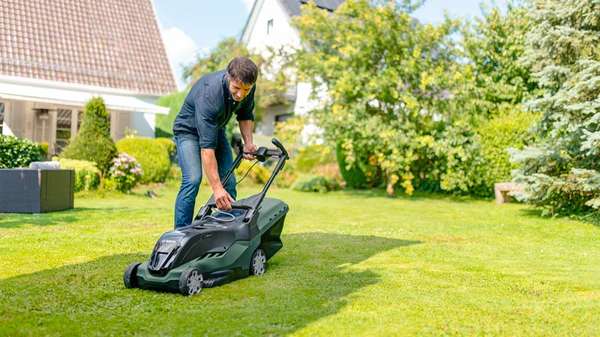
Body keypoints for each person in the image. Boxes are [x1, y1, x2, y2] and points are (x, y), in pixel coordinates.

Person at [172, 57, 258, 228]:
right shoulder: (210, 94)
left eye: (246, 90)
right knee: (192, 180)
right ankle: (180, 235)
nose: (241, 94)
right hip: (188, 131)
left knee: (229, 181)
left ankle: (224, 229)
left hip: (215, 129)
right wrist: (216, 188)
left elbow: (245, 115)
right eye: (236, 88)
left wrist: (248, 143)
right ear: (228, 77)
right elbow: (207, 150)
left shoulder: (248, 88)